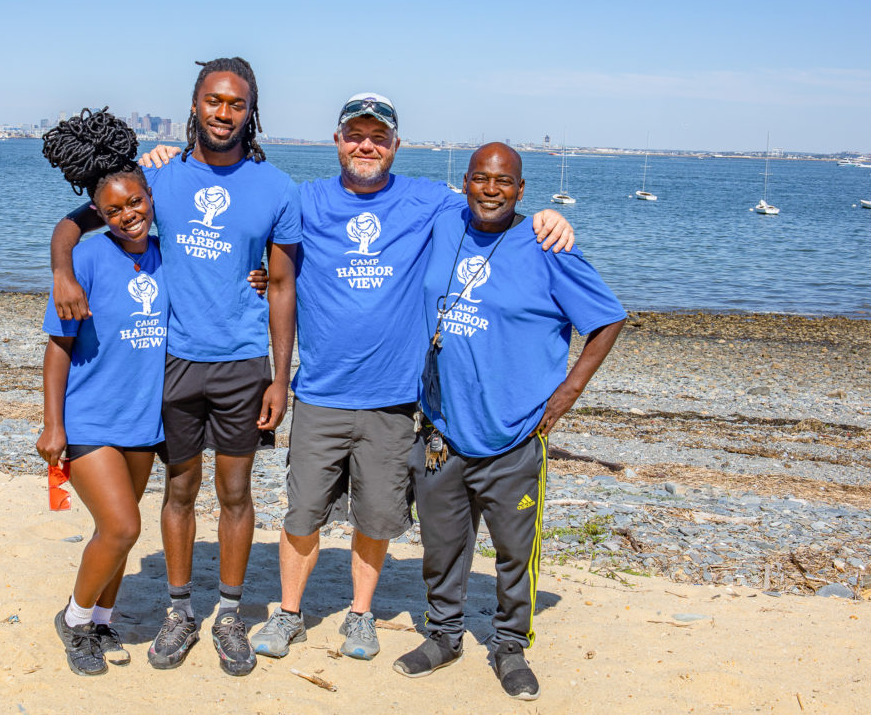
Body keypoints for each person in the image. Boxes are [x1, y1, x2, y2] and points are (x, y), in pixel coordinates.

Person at [145, 94, 574, 663]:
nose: (365, 145)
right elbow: (258, 245)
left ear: (396, 145)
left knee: (375, 516)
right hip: (320, 389)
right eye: (355, 135)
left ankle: (361, 616)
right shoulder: (307, 198)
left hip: (395, 397)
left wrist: (546, 215)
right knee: (302, 513)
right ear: (337, 140)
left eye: (378, 137)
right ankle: (291, 614)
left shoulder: (429, 201)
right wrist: (170, 162)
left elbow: (491, 205)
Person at [50, 58, 300, 677]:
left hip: (243, 364)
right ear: (194, 105)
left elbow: (284, 285)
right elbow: (81, 219)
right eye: (213, 101)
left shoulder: (277, 189)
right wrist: (61, 268)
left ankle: (233, 615)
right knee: (180, 490)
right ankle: (179, 612)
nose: (224, 112)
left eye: (236, 103)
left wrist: (280, 375)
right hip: (177, 363)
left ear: (251, 111)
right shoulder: (159, 179)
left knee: (237, 493)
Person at [394, 142, 626, 701]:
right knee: (442, 546)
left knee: (514, 554)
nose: (490, 190)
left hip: (515, 434)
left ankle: (508, 645)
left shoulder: (547, 245)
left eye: (503, 182)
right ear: (466, 182)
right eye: (480, 178)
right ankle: (444, 636)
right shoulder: (447, 221)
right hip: (443, 431)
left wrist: (568, 391)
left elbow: (608, 319)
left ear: (522, 190)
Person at [37, 108, 167, 676]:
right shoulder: (85, 258)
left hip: (144, 420)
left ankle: (101, 619)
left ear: (150, 196)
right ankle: (72, 619)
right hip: (89, 417)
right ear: (99, 214)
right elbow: (58, 348)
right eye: (113, 210)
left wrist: (257, 278)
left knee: (118, 529)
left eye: (135, 203)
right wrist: (52, 425)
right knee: (122, 527)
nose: (128, 215)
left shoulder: (169, 256)